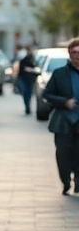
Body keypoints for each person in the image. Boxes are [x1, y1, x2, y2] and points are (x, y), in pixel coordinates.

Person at [41, 39, 79, 195]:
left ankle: (78, 179)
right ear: (69, 54)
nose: (77, 56)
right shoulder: (59, 74)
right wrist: (64, 102)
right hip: (63, 122)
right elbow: (47, 94)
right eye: (74, 52)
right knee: (63, 153)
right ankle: (65, 181)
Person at [17, 45, 40, 115]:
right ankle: (27, 106)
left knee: (28, 93)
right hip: (24, 78)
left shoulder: (33, 59)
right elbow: (22, 68)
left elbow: (36, 68)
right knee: (25, 93)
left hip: (30, 79)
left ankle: (28, 106)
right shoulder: (24, 58)